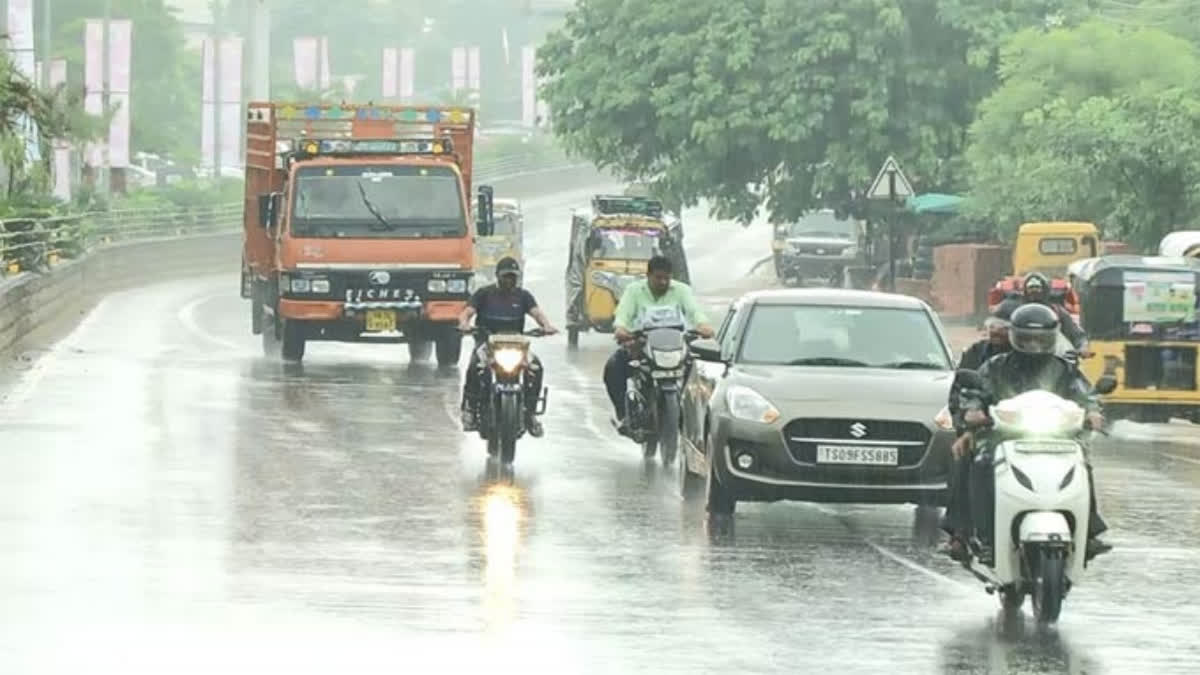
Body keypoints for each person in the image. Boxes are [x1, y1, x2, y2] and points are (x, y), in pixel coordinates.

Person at [948, 303, 1112, 564]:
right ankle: (983, 536)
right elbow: (974, 393)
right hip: (1002, 436)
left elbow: (1085, 393)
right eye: (1027, 338)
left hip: (1057, 437)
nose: (1034, 345)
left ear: (1052, 338)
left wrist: (1093, 411)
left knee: (1082, 463)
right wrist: (974, 412)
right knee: (979, 462)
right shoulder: (995, 366)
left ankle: (1088, 530)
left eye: (1040, 339)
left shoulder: (1064, 369)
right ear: (1015, 336)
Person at [603, 255, 715, 433]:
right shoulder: (634, 291)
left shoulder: (682, 290)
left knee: (700, 372)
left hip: (676, 347)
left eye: (666, 278)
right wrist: (622, 329)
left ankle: (695, 422)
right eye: (658, 278)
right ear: (648, 275)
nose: (663, 282)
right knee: (613, 368)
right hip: (640, 346)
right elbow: (622, 316)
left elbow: (695, 313)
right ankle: (624, 415)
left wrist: (704, 326)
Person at [458, 257, 558, 437]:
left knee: (536, 367)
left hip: (517, 346)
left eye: (513, 276)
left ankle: (530, 413)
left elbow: (537, 313)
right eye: (506, 276)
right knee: (475, 366)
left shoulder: (523, 296)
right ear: (497, 276)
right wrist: (464, 324)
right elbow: (467, 312)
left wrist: (546, 326)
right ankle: (471, 410)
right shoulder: (484, 293)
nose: (509, 280)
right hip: (487, 346)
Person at [996, 272, 1089, 354]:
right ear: (1024, 290)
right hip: (1018, 358)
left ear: (1045, 290)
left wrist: (1082, 347)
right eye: (1030, 288)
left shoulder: (1057, 311)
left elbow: (1076, 334)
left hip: (1053, 358)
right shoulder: (1012, 310)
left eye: (1038, 288)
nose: (1034, 291)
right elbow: (996, 327)